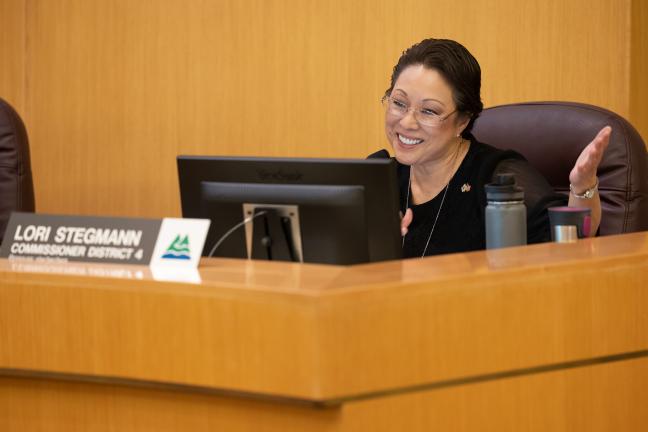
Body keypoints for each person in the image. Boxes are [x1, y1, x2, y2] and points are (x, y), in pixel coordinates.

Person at [369, 38, 609, 258]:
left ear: (462, 121)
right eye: (399, 103)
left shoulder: (498, 177)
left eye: (429, 111)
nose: (407, 122)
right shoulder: (376, 178)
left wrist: (582, 188)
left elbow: (570, 247)